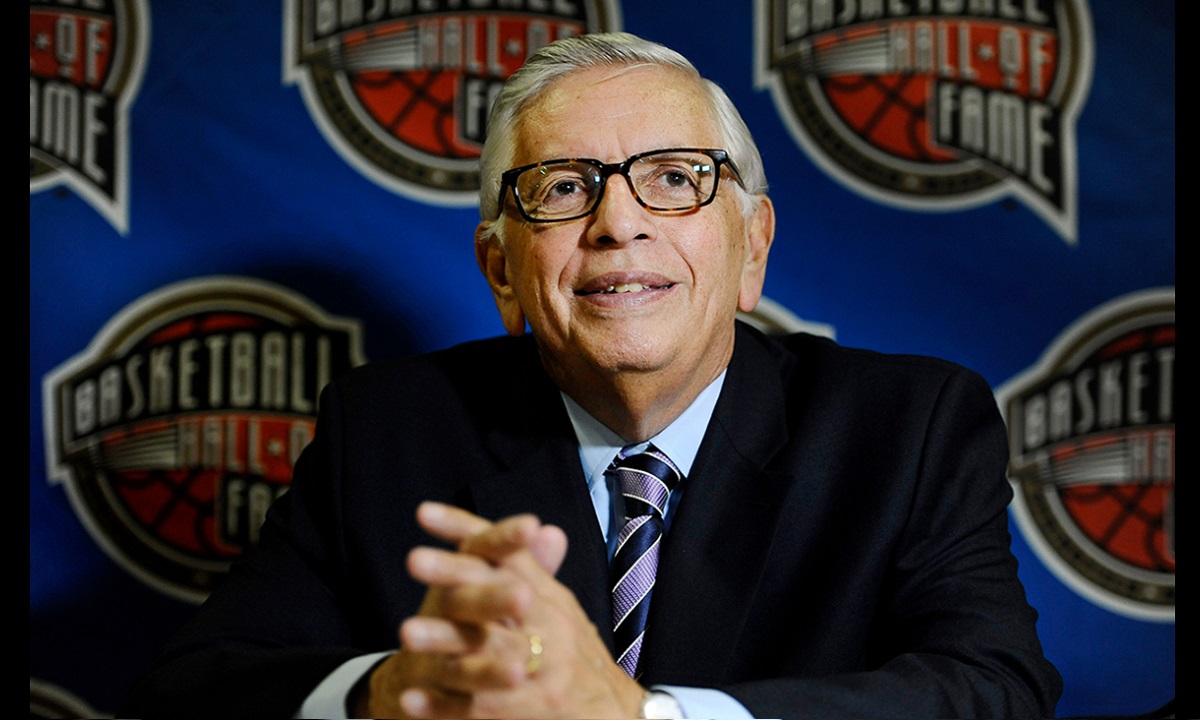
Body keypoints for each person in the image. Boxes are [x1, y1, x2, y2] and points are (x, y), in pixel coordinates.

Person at [122, 32, 1062, 719]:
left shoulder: (911, 425)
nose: (619, 223)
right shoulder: (384, 431)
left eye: (675, 177)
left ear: (752, 248)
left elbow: (994, 689)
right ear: (501, 271)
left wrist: (644, 717)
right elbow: (191, 689)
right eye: (565, 187)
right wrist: (392, 690)